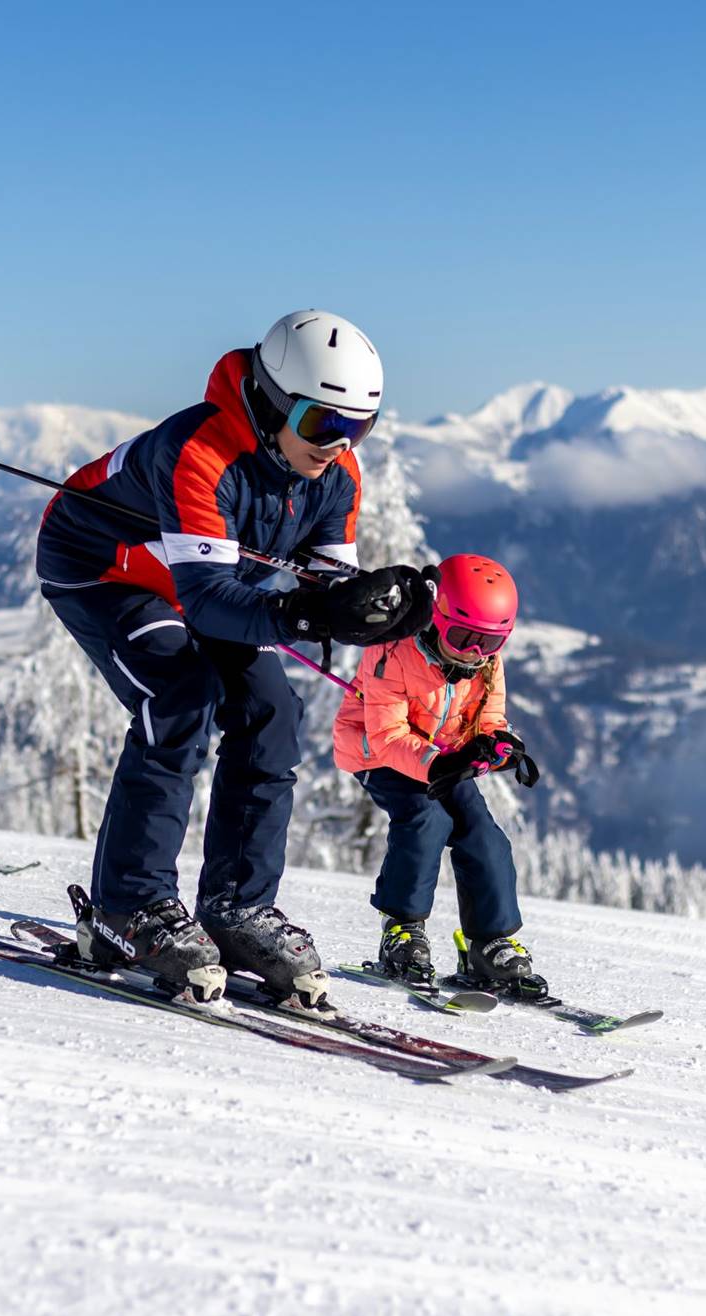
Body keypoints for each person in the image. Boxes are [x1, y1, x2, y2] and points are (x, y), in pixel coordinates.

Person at [35, 309, 432, 1005]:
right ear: (274, 402)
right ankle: (128, 908)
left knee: (274, 712)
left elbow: (320, 587)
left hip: (207, 583)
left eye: (357, 428)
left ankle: (235, 906)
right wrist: (309, 611)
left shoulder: (336, 476)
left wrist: (382, 609)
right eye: (321, 424)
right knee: (179, 693)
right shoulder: (202, 451)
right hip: (105, 569)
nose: (337, 445)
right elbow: (216, 601)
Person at [332, 554, 544, 992]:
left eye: (490, 642)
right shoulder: (390, 651)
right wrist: (441, 763)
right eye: (465, 636)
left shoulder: (485, 663)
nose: (475, 653)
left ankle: (488, 943)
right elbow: (388, 736)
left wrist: (498, 742)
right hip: (377, 755)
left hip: (441, 757)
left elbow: (490, 717)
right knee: (426, 819)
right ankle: (402, 931)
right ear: (437, 616)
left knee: (483, 833)